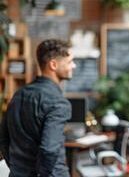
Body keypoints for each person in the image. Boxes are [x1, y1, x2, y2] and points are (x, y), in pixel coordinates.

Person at [0, 39, 76, 177]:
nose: (74, 66)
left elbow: (3, 138)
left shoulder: (18, 94)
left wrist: (17, 169)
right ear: (53, 64)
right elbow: (49, 150)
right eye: (70, 61)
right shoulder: (58, 103)